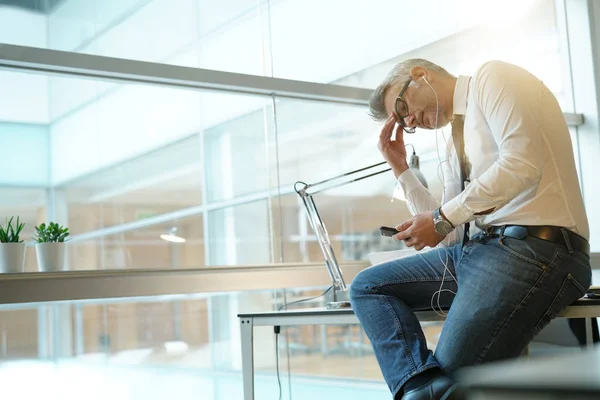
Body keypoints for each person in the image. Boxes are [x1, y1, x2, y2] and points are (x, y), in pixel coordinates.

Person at [349, 58, 592, 400]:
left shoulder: (492, 78)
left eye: (403, 109)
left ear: (421, 76)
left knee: (451, 383)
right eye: (402, 121)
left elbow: (521, 163)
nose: (409, 122)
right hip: (477, 251)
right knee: (369, 286)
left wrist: (441, 218)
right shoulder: (452, 143)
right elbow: (448, 232)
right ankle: (420, 386)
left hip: (534, 249)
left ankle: (434, 391)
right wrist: (400, 167)